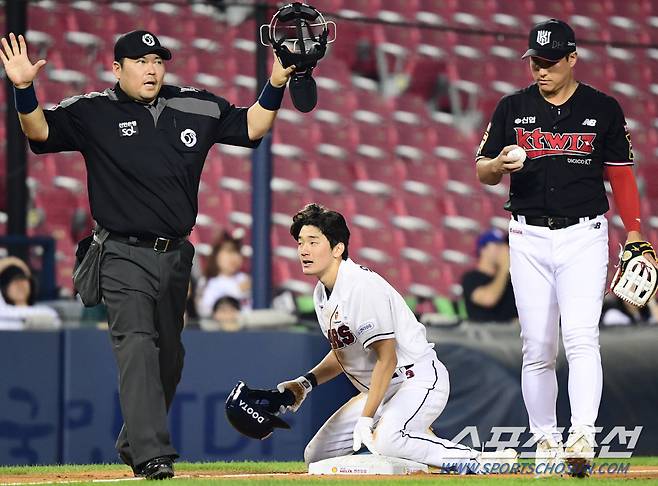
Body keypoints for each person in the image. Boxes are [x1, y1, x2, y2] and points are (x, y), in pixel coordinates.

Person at [0, 30, 294, 479]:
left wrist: (275, 80)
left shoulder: (196, 104)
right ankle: (152, 454)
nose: (151, 68)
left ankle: (133, 437)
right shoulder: (92, 111)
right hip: (120, 252)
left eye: (158, 60)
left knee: (170, 357)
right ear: (116, 68)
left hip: (176, 256)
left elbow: (253, 125)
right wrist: (23, 88)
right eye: (139, 61)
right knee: (136, 345)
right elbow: (39, 131)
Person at [475, 19, 656, 475]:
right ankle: (546, 442)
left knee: (580, 337)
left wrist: (634, 231)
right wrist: (498, 163)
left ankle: (581, 436)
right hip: (527, 235)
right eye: (535, 61)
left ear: (572, 58)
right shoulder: (512, 107)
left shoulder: (603, 108)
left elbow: (620, 175)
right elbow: (482, 170)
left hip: (583, 235)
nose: (541, 70)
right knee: (536, 346)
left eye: (550, 62)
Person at [276, 203, 516, 472]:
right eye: (299, 243)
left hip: (416, 379)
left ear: (337, 248)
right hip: (384, 389)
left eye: (312, 241)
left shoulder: (360, 286)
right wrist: (305, 383)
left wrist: (367, 418)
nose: (303, 250)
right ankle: (413, 439)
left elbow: (387, 359)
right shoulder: (322, 294)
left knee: (388, 441)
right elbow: (345, 351)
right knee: (316, 457)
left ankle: (484, 461)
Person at [461, 228, 517, 323]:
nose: (503, 250)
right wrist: (504, 269)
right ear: (483, 249)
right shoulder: (471, 278)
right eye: (497, 245)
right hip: (484, 334)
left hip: (510, 335)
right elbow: (488, 299)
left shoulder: (509, 279)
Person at [198, 232, 251, 317]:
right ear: (216, 254)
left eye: (237, 252)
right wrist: (237, 290)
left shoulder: (246, 279)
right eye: (229, 251)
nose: (234, 257)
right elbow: (204, 311)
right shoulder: (206, 281)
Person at [0, 256, 60, 330]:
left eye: (23, 280)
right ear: (4, 289)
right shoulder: (3, 312)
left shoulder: (46, 312)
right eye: (15, 282)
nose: (20, 285)